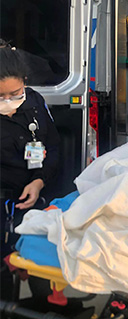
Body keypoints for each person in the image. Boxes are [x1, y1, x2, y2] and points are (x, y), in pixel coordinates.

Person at [0, 41, 60, 298]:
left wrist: (38, 181)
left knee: (40, 268)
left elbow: (52, 147)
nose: (8, 101)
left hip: (32, 198)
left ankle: (45, 306)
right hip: (2, 203)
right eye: (0, 97)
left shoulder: (34, 102)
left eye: (14, 93)